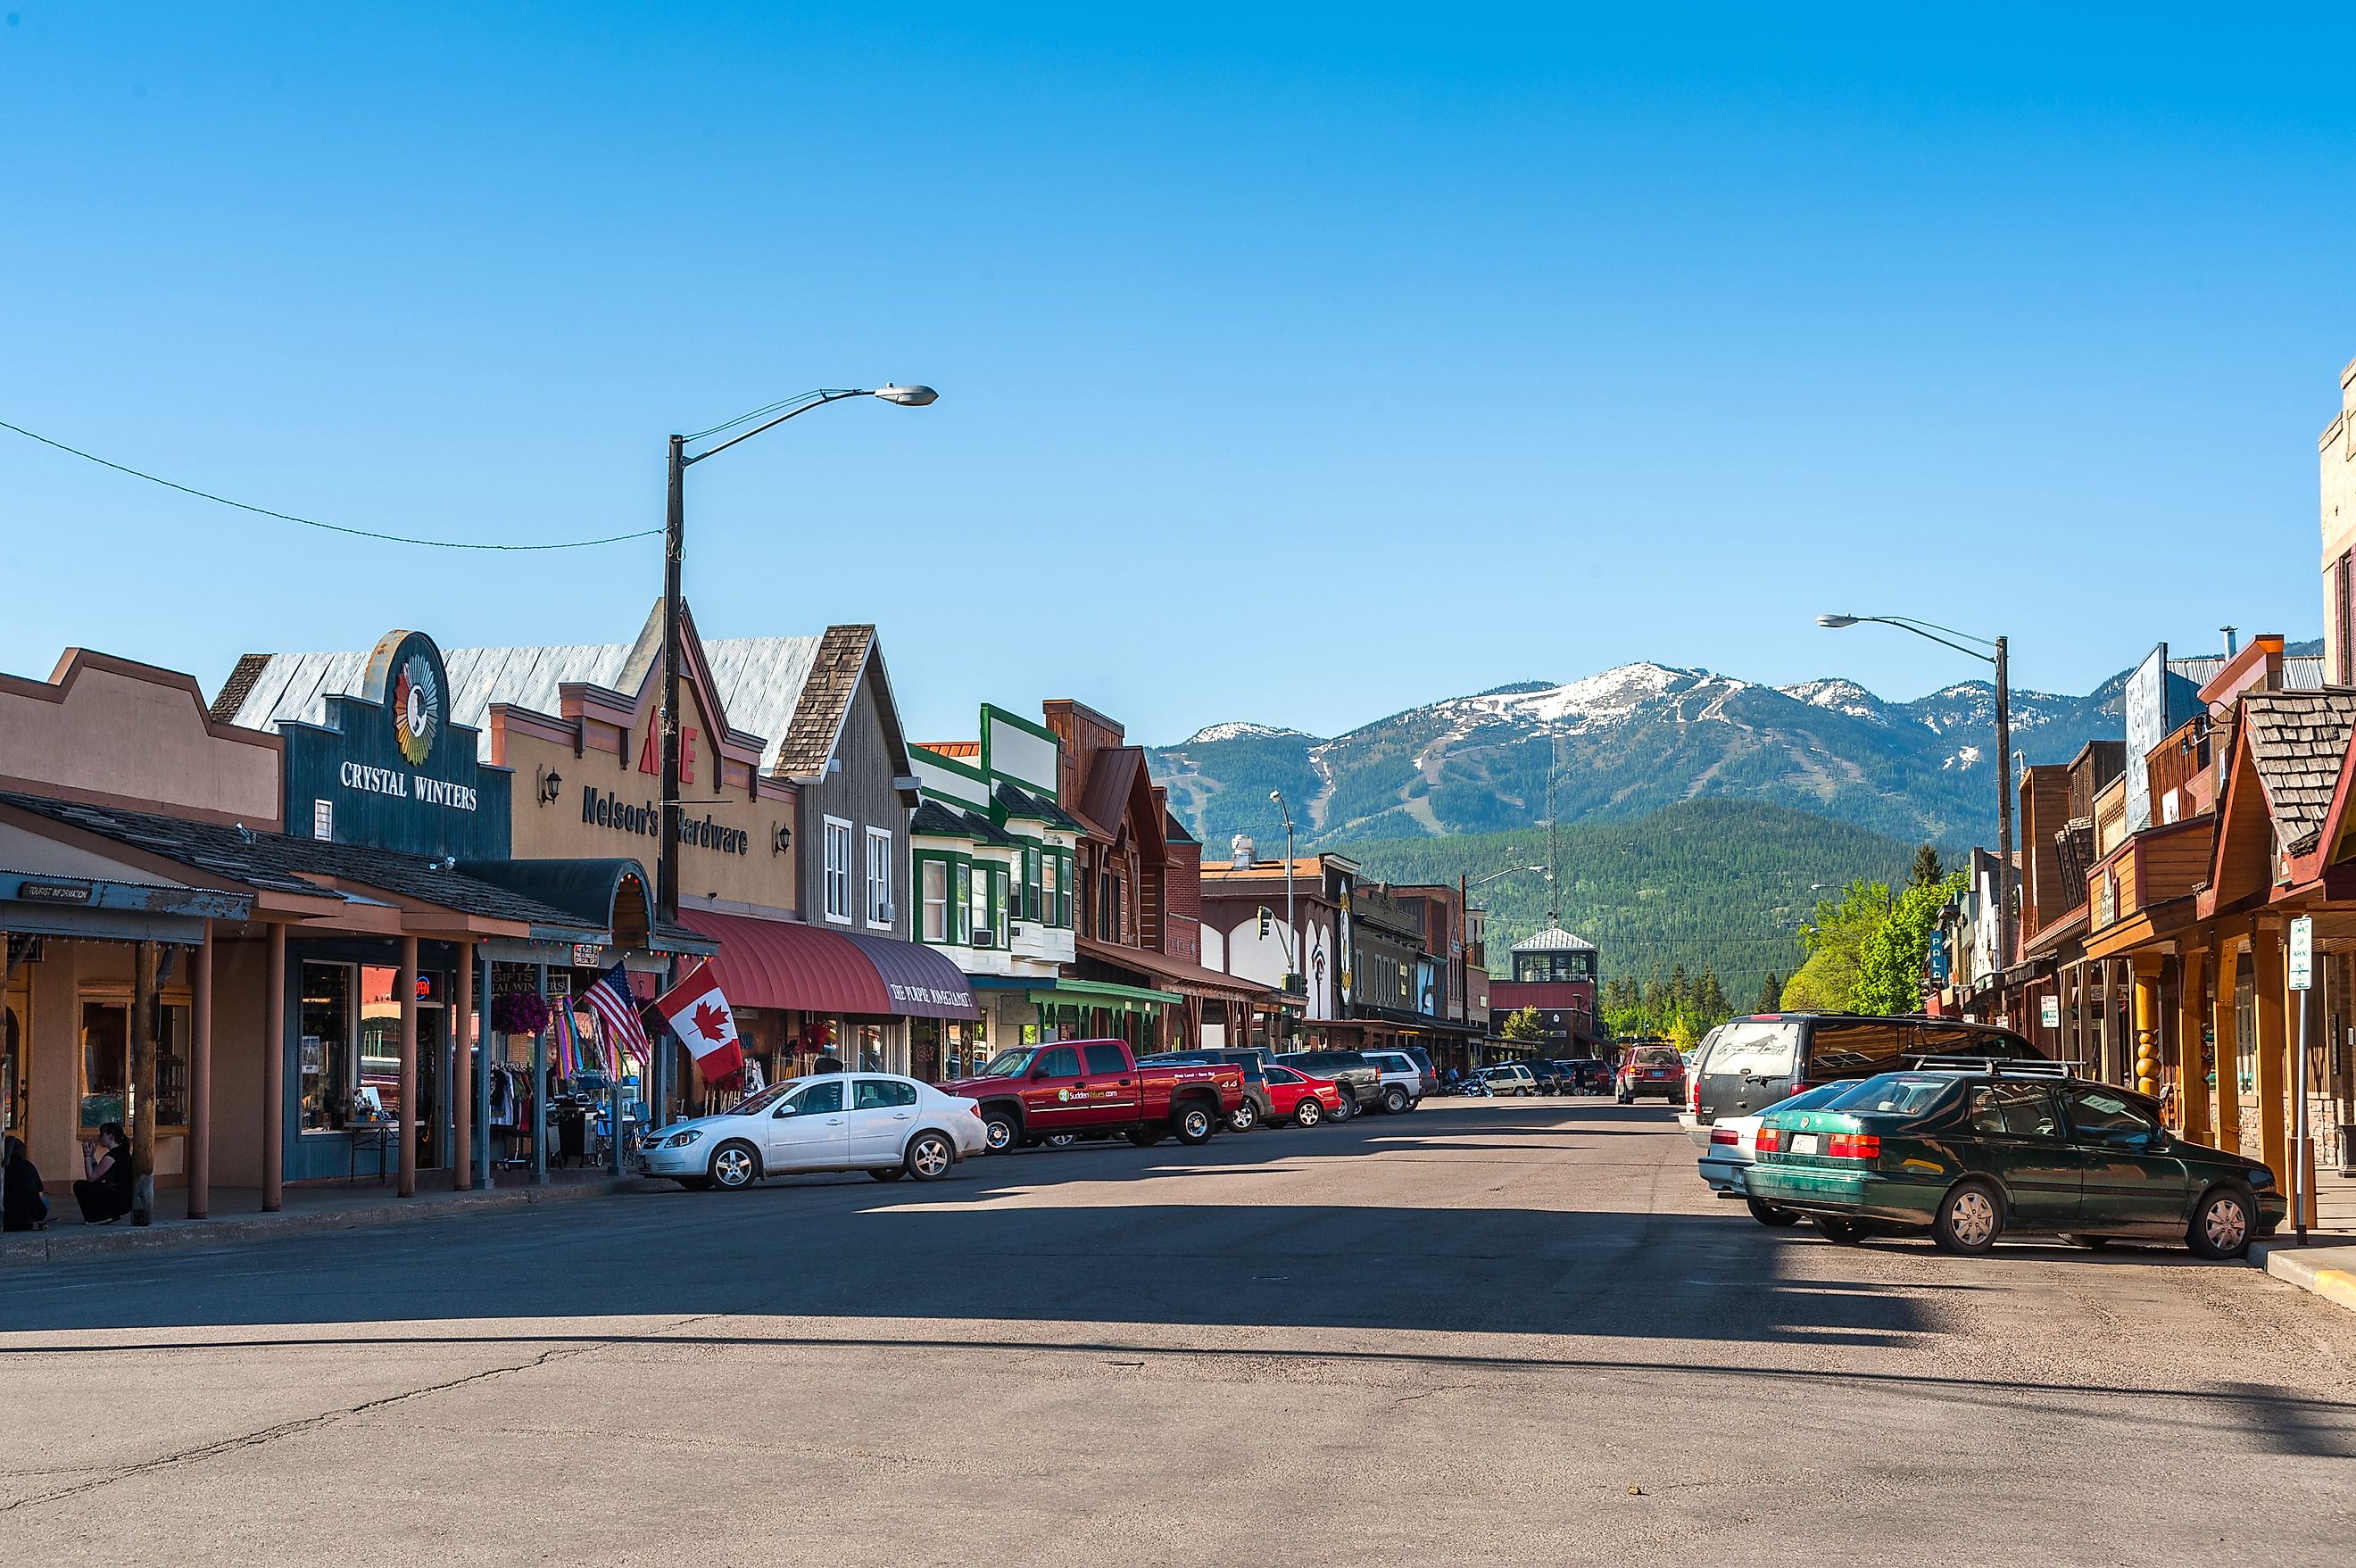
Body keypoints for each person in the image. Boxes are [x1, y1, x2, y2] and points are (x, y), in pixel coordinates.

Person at [73, 1121, 133, 1224]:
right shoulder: (122, 1153)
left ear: (111, 1137)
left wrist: (87, 1156)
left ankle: (97, 1216)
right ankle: (106, 1214)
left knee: (80, 1185)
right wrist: (92, 1156)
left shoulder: (112, 1156)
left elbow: (91, 1177)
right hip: (125, 1200)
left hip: (120, 1200)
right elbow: (98, 1175)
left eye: (102, 1134)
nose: (99, 1136)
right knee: (94, 1186)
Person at [2, 1134, 47, 1231]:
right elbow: (40, 1193)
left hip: (6, 1217)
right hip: (29, 1218)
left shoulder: (3, 1169)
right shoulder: (28, 1166)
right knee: (45, 1201)